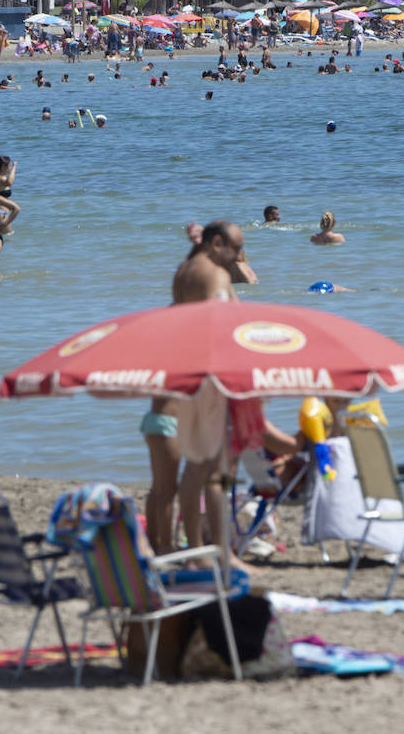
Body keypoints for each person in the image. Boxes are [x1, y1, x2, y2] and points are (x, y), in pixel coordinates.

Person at [141, 221, 245, 563]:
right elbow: (221, 328)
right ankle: (211, 553)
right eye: (236, 249)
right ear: (217, 244)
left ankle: (185, 549)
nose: (239, 256)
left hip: (182, 385)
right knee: (211, 474)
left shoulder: (184, 272)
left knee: (190, 478)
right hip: (205, 382)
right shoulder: (215, 276)